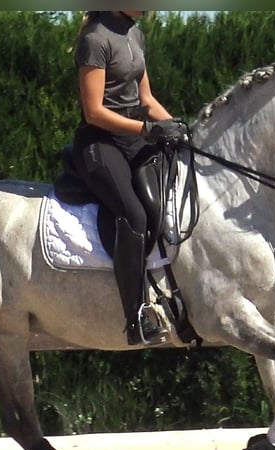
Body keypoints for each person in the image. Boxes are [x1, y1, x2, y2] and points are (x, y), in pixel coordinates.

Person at [71, 11, 187, 346]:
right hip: (99, 144)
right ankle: (135, 316)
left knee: (166, 200)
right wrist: (147, 129)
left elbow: (146, 99)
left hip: (133, 139)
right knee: (133, 215)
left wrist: (179, 129)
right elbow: (94, 111)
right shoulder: (95, 38)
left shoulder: (134, 33)